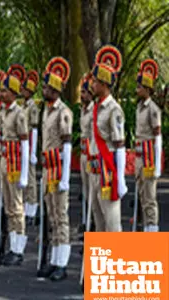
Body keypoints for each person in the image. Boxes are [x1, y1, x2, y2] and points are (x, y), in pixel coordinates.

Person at [37, 57, 73, 281]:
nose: (43, 89)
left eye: (47, 87)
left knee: (61, 216)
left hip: (59, 169)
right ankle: (54, 259)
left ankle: (62, 262)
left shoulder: (64, 112)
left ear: (56, 89)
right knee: (51, 215)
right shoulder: (46, 110)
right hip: (48, 169)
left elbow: (67, 146)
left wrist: (66, 177)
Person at [89, 45, 127, 233]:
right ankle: (103, 262)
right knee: (99, 222)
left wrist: (120, 179)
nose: (92, 85)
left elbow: (119, 145)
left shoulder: (114, 110)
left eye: (95, 82)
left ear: (104, 84)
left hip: (108, 172)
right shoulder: (96, 107)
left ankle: (116, 260)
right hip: (95, 171)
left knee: (112, 224)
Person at [0, 65, 30, 266]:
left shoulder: (19, 114)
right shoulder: (3, 112)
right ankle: (12, 245)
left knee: (17, 206)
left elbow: (25, 143)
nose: (1, 93)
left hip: (16, 163)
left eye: (4, 90)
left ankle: (19, 249)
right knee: (9, 206)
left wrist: (25, 173)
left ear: (13, 92)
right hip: (5, 161)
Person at [135, 59, 162, 232]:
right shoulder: (139, 107)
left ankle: (152, 232)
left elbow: (157, 137)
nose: (137, 89)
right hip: (139, 156)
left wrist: (158, 165)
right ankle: (146, 227)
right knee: (141, 195)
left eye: (139, 86)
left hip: (149, 157)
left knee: (150, 197)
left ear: (147, 88)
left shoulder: (153, 109)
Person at [20, 70, 40, 224]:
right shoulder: (23, 106)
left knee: (31, 179)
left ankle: (32, 211)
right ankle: (26, 208)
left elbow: (34, 129)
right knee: (24, 177)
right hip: (23, 144)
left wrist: (33, 151)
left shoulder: (33, 107)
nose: (22, 91)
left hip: (29, 144)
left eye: (25, 89)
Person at [79, 73, 95, 233]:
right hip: (84, 153)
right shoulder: (83, 111)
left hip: (92, 153)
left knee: (92, 190)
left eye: (84, 92)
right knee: (85, 189)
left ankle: (92, 224)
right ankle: (86, 220)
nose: (81, 95)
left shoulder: (94, 111)